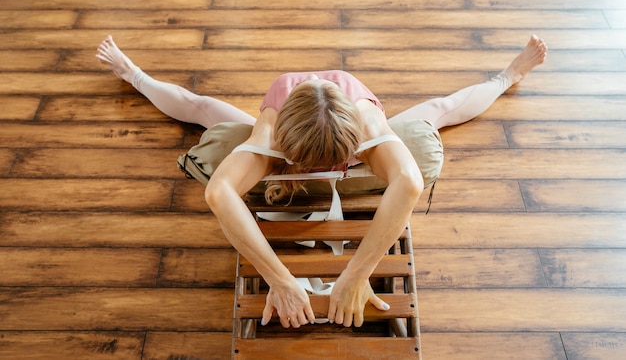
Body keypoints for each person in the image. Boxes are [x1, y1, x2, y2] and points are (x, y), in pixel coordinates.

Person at [96, 34, 547, 329]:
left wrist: (356, 275)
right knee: (207, 112)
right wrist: (282, 280)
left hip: (357, 143)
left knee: (436, 113)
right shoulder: (269, 130)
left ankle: (508, 75)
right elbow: (219, 192)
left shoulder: (369, 125)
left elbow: (408, 184)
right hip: (283, 136)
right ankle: (135, 75)